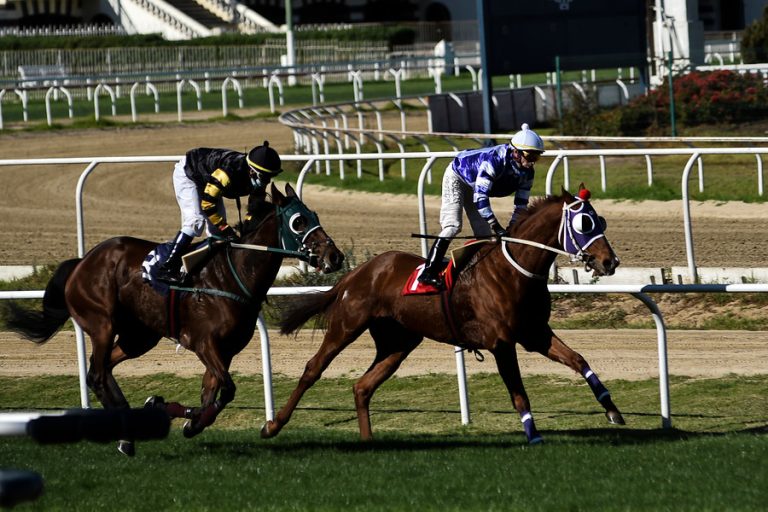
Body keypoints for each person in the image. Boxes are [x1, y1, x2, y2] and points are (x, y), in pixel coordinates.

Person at [418, 123, 545, 288]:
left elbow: (521, 205)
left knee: (484, 234)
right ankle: (428, 272)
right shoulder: (495, 161)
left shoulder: (528, 173)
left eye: (537, 157)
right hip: (457, 176)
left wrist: (512, 228)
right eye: (530, 156)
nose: (532, 162)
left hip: (474, 184)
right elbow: (481, 197)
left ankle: (482, 274)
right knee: (453, 225)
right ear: (515, 152)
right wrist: (497, 226)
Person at [155, 141, 283, 284]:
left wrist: (246, 228)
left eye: (270, 177)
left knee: (216, 232)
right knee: (195, 221)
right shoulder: (229, 171)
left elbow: (254, 208)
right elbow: (208, 205)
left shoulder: (257, 179)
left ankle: (212, 269)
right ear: (252, 171)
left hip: (208, 178)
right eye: (265, 177)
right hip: (189, 174)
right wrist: (226, 229)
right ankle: (166, 268)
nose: (267, 181)